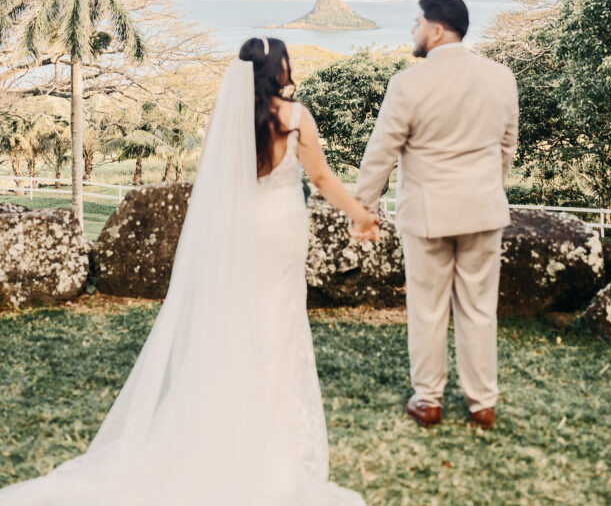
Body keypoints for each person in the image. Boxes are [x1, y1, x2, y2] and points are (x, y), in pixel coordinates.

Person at [0, 37, 378, 504]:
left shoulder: (229, 119)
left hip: (240, 228)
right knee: (278, 322)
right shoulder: (295, 118)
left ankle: (218, 421)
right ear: (279, 69)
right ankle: (266, 441)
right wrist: (360, 215)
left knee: (233, 323)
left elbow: (217, 183)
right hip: (281, 230)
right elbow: (320, 178)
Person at [353, 0, 518, 431]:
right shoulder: (502, 78)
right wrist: (487, 189)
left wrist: (363, 206)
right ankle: (482, 404)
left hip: (427, 215)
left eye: (417, 23)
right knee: (480, 309)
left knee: (427, 309)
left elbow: (381, 153)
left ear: (437, 29)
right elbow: (506, 148)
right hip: (484, 210)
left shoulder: (408, 84)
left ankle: (428, 401)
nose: (413, 31)